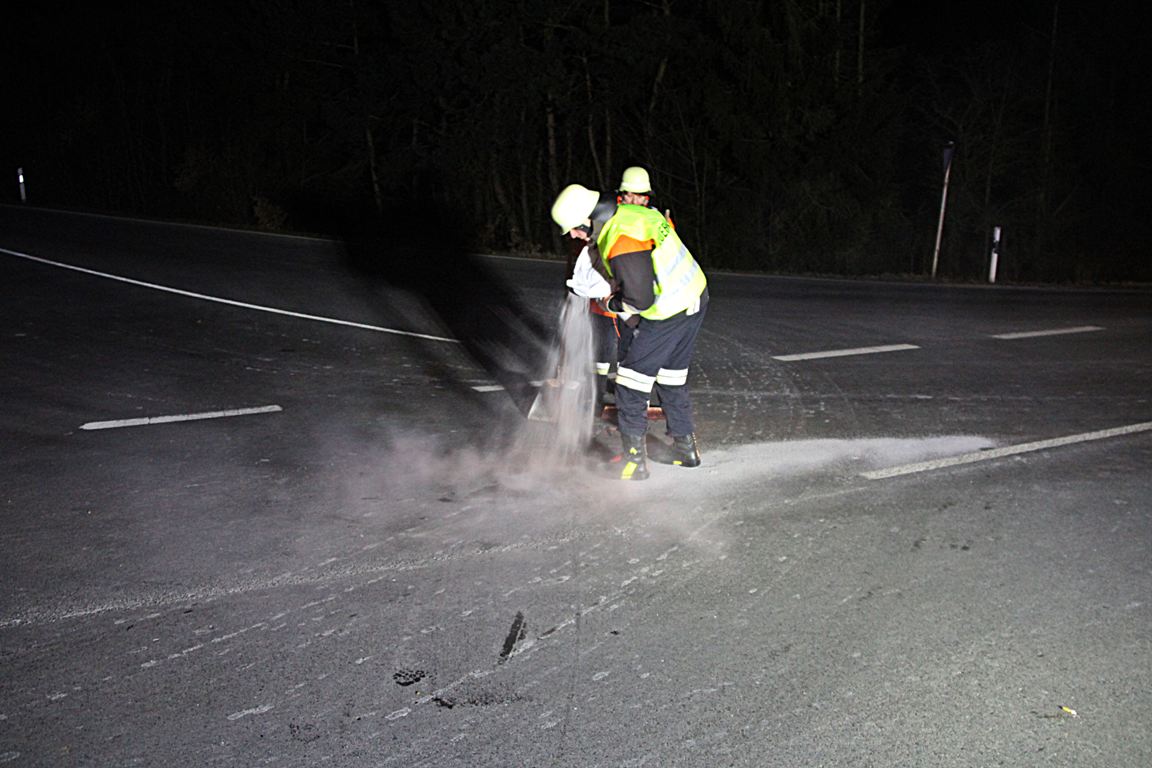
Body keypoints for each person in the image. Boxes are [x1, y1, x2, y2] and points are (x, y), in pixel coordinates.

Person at [551, 183, 708, 481]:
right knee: (671, 376)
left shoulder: (620, 239)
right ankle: (686, 451)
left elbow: (640, 300)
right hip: (695, 296)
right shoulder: (633, 213)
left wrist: (611, 301)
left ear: (588, 219)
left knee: (630, 384)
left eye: (573, 229)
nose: (573, 235)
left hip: (669, 309)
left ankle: (634, 463)